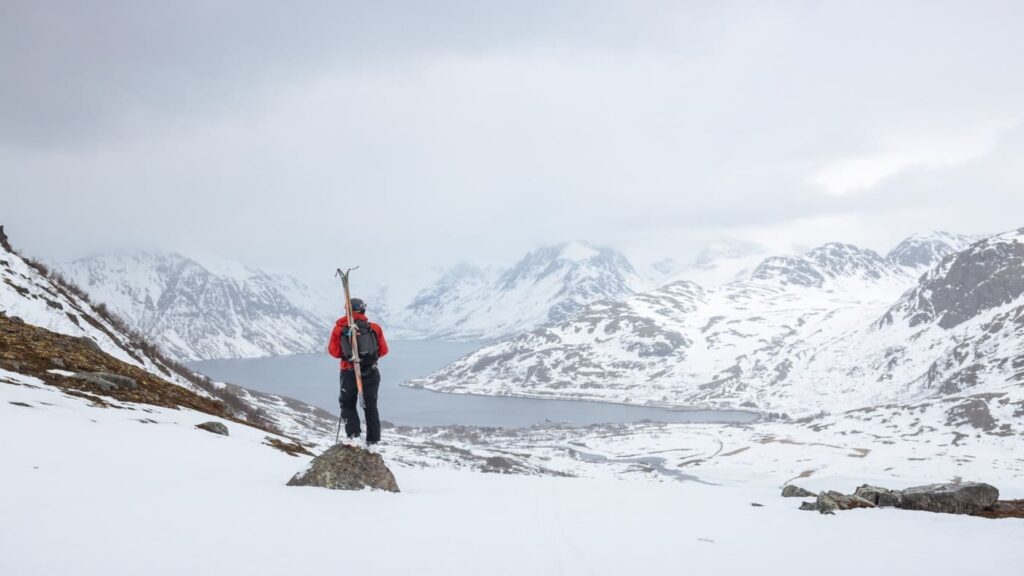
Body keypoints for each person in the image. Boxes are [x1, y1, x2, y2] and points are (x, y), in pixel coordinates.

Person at [327, 297, 389, 445]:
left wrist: (349, 356)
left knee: (347, 404)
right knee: (370, 405)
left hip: (349, 372)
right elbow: (384, 350)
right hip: (370, 371)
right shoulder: (374, 328)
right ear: (363, 309)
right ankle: (373, 442)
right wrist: (367, 359)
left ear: (347, 310)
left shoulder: (339, 329)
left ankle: (353, 436)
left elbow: (334, 352)